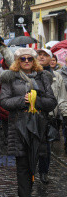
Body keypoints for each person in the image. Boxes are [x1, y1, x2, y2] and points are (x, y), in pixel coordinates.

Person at [0, 48, 56, 197]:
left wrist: (36, 101)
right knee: (23, 164)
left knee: (33, 164)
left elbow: (51, 101)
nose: (26, 61)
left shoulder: (43, 77)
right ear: (18, 61)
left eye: (29, 59)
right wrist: (22, 100)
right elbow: (4, 101)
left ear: (34, 61)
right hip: (19, 126)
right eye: (23, 59)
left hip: (38, 126)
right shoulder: (10, 78)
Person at [35, 48, 67, 184]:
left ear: (51, 58)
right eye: (39, 55)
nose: (42, 57)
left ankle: (43, 172)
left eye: (45, 55)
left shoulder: (57, 76)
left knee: (45, 148)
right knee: (30, 146)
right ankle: (29, 172)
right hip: (31, 115)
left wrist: (65, 115)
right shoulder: (29, 73)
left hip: (48, 117)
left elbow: (61, 98)